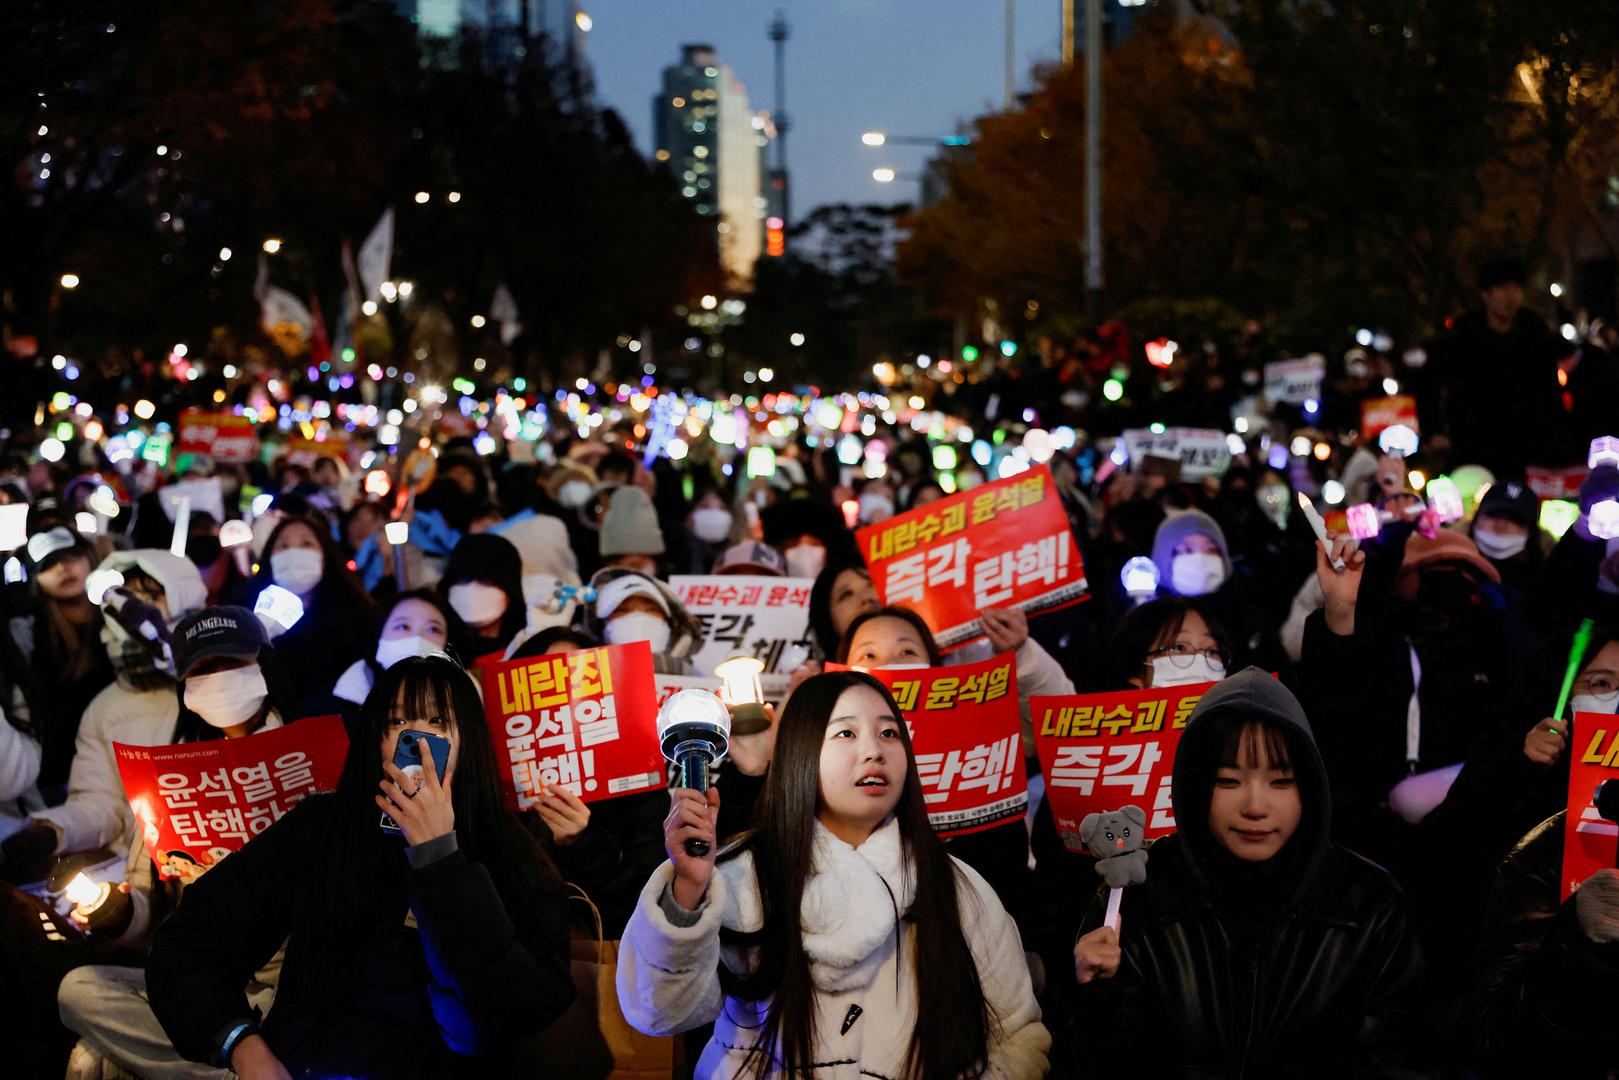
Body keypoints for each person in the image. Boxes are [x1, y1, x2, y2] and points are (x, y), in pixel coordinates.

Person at [147, 655, 575, 1078]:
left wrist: (440, 859)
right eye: (397, 722)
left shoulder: (511, 851)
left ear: (471, 740)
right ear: (376, 739)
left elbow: (525, 1005)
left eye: (439, 723)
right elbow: (189, 942)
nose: (419, 740)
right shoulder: (326, 827)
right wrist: (241, 1044)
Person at [617, 670, 1050, 1078]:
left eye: (889, 733)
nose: (873, 750)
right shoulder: (740, 875)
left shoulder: (958, 886)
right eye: (846, 733)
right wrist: (689, 890)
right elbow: (660, 1012)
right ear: (801, 750)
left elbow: (1016, 1034)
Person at [1067, 668, 1422, 1076]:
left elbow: (1394, 1058)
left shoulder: (1371, 904)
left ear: (1310, 788)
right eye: (1229, 781)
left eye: (1281, 781)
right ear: (1198, 787)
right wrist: (1096, 1000)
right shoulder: (1134, 895)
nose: (1255, 806)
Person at [56, 606, 305, 1079]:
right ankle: (237, 1068)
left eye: (232, 664)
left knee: (94, 1056)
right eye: (202, 671)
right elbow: (152, 914)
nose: (219, 679)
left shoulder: (314, 756)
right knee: (78, 990)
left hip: (299, 976)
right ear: (185, 688)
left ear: (264, 667)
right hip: (208, 978)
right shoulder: (169, 780)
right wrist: (120, 915)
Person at [507, 627, 667, 938]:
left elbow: (651, 906)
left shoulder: (638, 784)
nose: (563, 697)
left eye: (576, 681)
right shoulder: (498, 785)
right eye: (544, 681)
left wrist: (585, 842)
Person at [8, 527, 113, 810]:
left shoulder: (119, 614)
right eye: (48, 565)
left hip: (118, 758)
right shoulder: (30, 632)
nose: (62, 569)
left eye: (70, 556)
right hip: (58, 776)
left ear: (89, 556)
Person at [249, 516, 376, 715]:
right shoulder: (247, 619)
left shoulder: (358, 618)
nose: (294, 552)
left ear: (326, 555)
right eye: (283, 546)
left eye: (306, 543)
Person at [1150, 508, 1288, 677]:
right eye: (1186, 550)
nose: (1200, 559)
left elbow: (1280, 677)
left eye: (1211, 549)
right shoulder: (1147, 623)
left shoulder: (1249, 620)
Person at [331, 589, 466, 720]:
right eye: (403, 626)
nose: (417, 638)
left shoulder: (464, 702)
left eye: (433, 629)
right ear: (379, 635)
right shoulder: (335, 709)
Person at [438, 532, 528, 664]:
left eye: (486, 581)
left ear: (510, 591)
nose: (472, 590)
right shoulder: (436, 645)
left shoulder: (525, 645)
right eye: (464, 579)